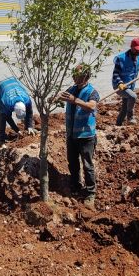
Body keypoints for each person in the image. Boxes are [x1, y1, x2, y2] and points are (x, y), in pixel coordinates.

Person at [59, 64, 100, 208]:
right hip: (71, 134)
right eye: (74, 75)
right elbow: (61, 96)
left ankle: (90, 192)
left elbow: (91, 106)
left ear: (86, 76)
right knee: (72, 161)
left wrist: (74, 100)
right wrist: (52, 98)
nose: (75, 78)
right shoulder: (71, 89)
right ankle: (76, 185)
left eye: (78, 75)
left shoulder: (92, 92)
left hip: (86, 135)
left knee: (87, 165)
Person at [0, 76, 36, 145]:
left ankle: (27, 129)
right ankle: (1, 140)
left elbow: (29, 112)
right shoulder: (6, 103)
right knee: (2, 116)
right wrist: (17, 130)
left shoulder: (27, 100)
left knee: (28, 125)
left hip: (13, 82)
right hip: (2, 86)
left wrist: (30, 126)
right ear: (13, 109)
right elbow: (8, 119)